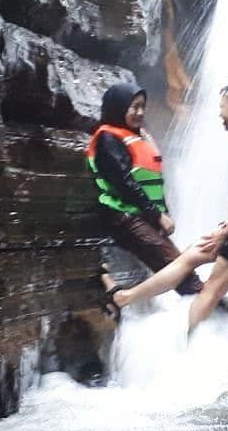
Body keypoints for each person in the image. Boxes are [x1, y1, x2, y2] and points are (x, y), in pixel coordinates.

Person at [101, 81, 228, 330]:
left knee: (211, 290)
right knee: (190, 256)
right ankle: (125, 297)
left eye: (222, 106)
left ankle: (190, 348)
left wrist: (226, 231)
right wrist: (227, 228)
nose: (219, 113)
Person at [87, 81, 203, 296]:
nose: (140, 112)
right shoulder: (108, 138)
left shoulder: (137, 135)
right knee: (180, 270)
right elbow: (124, 183)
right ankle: (214, 312)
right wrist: (157, 215)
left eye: (143, 107)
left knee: (178, 269)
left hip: (140, 215)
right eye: (134, 107)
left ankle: (206, 311)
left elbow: (153, 181)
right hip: (123, 216)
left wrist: (162, 213)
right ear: (119, 107)